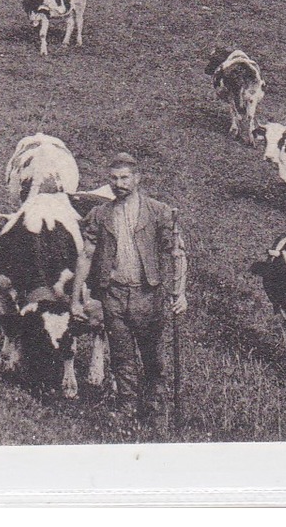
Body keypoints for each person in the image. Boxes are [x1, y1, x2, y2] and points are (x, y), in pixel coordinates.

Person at [72, 151, 188, 425]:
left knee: (152, 358)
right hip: (113, 296)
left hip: (147, 296)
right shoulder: (100, 215)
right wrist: (76, 298)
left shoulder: (158, 212)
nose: (118, 183)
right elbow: (86, 255)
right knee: (121, 357)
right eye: (113, 178)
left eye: (125, 178)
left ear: (137, 179)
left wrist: (180, 292)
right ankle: (126, 410)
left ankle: (155, 410)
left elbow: (177, 254)